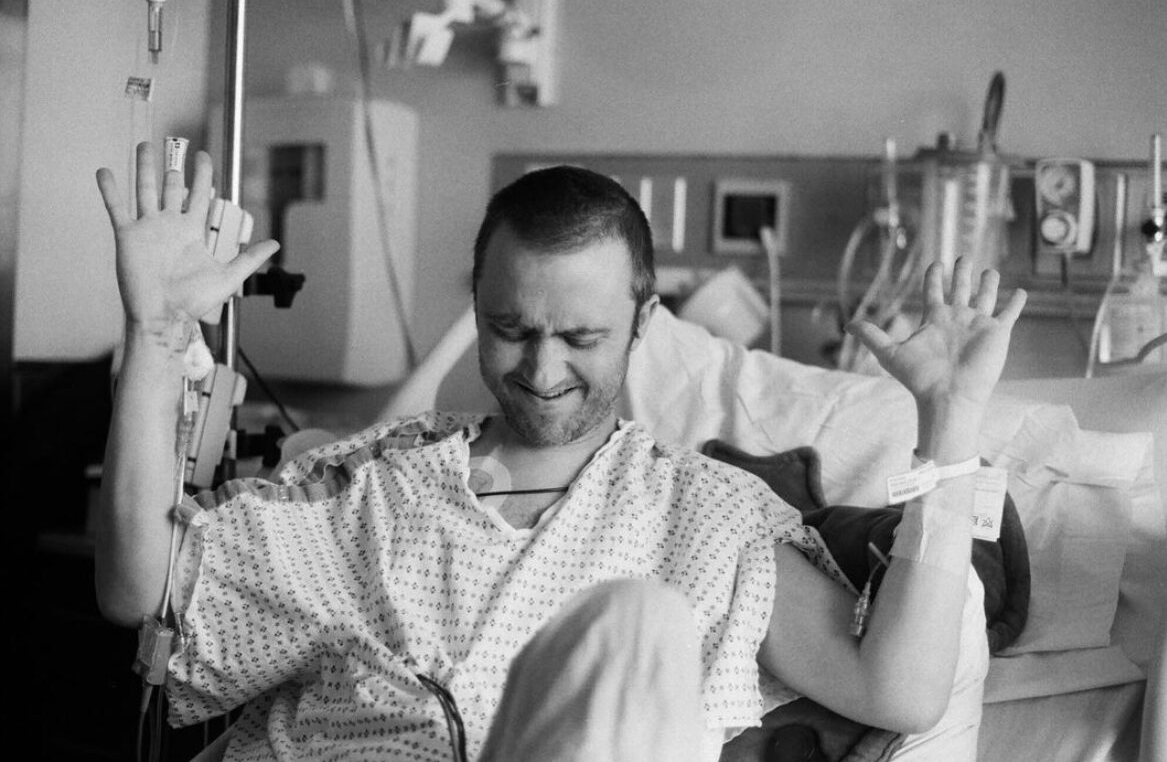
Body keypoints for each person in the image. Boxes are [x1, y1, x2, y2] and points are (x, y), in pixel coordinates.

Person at [95, 141, 1026, 762]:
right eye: (508, 329)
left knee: (635, 629)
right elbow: (144, 588)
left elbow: (896, 689)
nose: (540, 369)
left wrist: (948, 429)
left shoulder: (704, 515)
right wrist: (154, 335)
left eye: (579, 337)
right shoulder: (374, 490)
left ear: (642, 324)